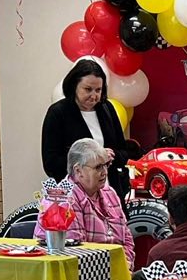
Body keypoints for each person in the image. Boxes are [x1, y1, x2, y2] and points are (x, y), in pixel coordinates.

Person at [41, 59, 136, 203]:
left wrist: (112, 155)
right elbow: (51, 163)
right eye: (88, 89)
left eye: (98, 90)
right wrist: (92, 159)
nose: (94, 96)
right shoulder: (58, 113)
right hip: (74, 198)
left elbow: (123, 151)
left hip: (111, 196)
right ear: (74, 86)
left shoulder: (107, 109)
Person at [61, 137, 134, 265]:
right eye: (98, 167)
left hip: (115, 271)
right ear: (78, 170)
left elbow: (127, 239)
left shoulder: (110, 193)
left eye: (106, 165)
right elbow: (78, 251)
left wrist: (125, 265)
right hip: (87, 275)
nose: (105, 172)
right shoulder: (65, 199)